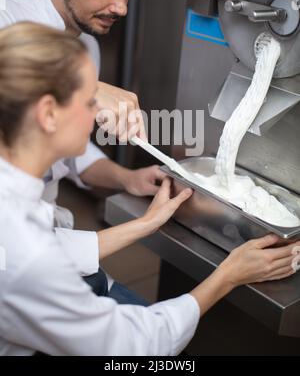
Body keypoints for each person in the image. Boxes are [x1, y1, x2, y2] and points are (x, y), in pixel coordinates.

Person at [0, 22, 298, 356]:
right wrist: (228, 275)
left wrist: (145, 223)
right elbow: (136, 346)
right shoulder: (27, 256)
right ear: (48, 114)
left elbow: (53, 246)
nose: (98, 118)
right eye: (89, 103)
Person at [0, 0, 163, 303]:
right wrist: (86, 90)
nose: (121, 8)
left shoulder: (88, 46)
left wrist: (126, 179)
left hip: (58, 239)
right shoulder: (7, 17)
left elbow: (70, 152)